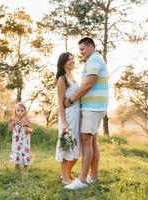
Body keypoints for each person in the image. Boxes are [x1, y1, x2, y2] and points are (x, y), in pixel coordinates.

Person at [64, 37, 109, 190]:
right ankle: (93, 177)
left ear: (90, 46)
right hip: (94, 106)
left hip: (93, 107)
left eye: (82, 49)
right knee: (92, 140)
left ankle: (82, 180)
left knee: (85, 139)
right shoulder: (93, 60)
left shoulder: (94, 60)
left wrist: (71, 100)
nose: (81, 52)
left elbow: (88, 84)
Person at [55, 52, 82, 186]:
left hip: (76, 115)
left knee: (76, 146)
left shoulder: (73, 77)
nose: (72, 61)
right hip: (67, 116)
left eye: (73, 58)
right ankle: (66, 178)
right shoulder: (62, 79)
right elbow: (60, 103)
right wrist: (64, 122)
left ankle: (67, 173)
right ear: (63, 63)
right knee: (65, 146)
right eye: (69, 59)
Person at [9, 102, 32, 174]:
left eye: (22, 111)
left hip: (25, 141)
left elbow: (30, 131)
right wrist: (10, 123)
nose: (19, 112)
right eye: (18, 110)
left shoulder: (26, 120)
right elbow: (10, 130)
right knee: (17, 153)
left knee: (25, 154)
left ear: (25, 112)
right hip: (17, 142)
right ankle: (16, 169)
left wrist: (27, 129)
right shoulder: (14, 120)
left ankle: (25, 171)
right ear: (15, 111)